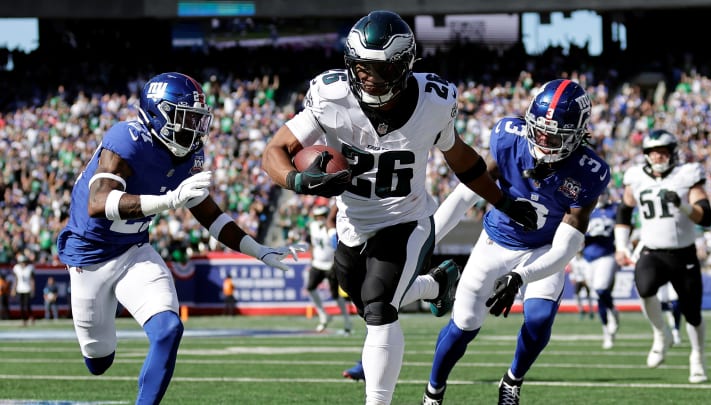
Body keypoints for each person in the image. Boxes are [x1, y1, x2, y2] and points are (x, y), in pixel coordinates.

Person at [261, 11, 536, 405]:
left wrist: (503, 201)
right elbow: (274, 150)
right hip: (353, 221)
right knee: (361, 296)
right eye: (362, 67)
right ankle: (435, 285)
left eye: (381, 67)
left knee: (379, 305)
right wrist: (296, 181)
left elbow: (461, 159)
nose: (369, 77)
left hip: (407, 219)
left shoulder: (433, 101)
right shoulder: (331, 96)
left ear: (405, 65)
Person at [56, 72, 302, 405]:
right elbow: (98, 204)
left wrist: (258, 250)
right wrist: (169, 200)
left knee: (169, 330)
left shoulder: (189, 154)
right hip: (89, 257)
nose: (194, 128)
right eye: (185, 118)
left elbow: (211, 215)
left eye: (197, 119)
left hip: (133, 251)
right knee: (99, 362)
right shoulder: (128, 139)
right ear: (157, 113)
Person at [421, 78, 609, 405]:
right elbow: (469, 190)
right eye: (539, 130)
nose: (543, 140)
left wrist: (521, 276)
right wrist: (427, 239)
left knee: (538, 319)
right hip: (496, 242)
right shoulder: (510, 139)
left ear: (577, 134)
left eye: (554, 135)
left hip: (544, 249)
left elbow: (567, 245)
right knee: (464, 325)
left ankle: (512, 380)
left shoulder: (588, 171)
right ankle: (433, 391)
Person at [614, 129, 711, 383]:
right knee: (645, 287)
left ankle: (697, 356)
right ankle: (661, 334)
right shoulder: (636, 176)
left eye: (663, 152)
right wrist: (621, 246)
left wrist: (682, 205)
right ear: (646, 154)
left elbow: (706, 216)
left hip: (683, 253)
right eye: (654, 152)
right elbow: (624, 211)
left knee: (692, 313)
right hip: (652, 250)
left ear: (672, 153)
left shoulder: (687, 174)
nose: (658, 156)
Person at [305, 204, 353, 334]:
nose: (319, 219)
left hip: (331, 264)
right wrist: (312, 258)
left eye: (322, 216)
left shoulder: (332, 227)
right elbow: (312, 243)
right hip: (317, 263)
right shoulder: (312, 226)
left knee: (335, 295)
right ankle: (323, 315)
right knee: (310, 288)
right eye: (317, 216)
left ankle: (347, 320)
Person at [582, 189, 620, 349]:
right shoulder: (588, 210)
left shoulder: (615, 210)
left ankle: (613, 310)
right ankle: (606, 332)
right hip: (587, 257)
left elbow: (625, 227)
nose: (601, 196)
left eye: (604, 194)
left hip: (607, 254)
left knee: (601, 289)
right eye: (599, 194)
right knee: (597, 295)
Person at [566, 253, 593, 319]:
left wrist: (587, 279)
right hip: (578, 280)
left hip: (585, 280)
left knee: (589, 295)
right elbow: (571, 270)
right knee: (576, 295)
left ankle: (591, 311)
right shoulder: (573, 261)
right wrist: (572, 278)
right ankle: (581, 310)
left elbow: (589, 269)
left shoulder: (585, 260)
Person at [12, 254, 35, 326]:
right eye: (22, 262)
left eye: (24, 262)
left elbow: (32, 280)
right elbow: (16, 279)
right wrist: (13, 289)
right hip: (19, 289)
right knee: (21, 306)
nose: (23, 263)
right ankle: (23, 320)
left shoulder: (30, 268)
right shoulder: (16, 268)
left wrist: (33, 290)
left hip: (27, 289)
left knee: (27, 305)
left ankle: (31, 317)